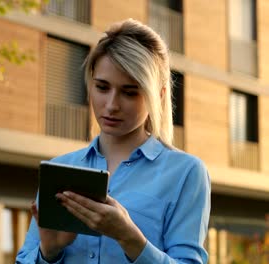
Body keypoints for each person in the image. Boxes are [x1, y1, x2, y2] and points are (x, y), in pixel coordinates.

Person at [16, 19, 211, 264]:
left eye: (129, 92)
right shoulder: (60, 168)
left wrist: (129, 237)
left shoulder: (186, 172)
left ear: (157, 95)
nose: (111, 105)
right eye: (102, 87)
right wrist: (48, 253)